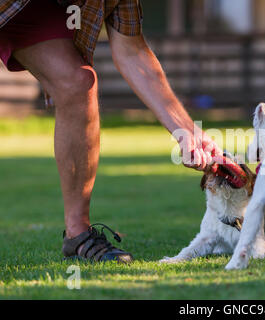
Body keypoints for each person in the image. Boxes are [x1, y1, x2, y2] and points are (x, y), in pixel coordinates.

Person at [0, 0, 220, 262]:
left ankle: (78, 235)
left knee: (79, 84)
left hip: (34, 15)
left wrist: (187, 132)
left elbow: (133, 52)